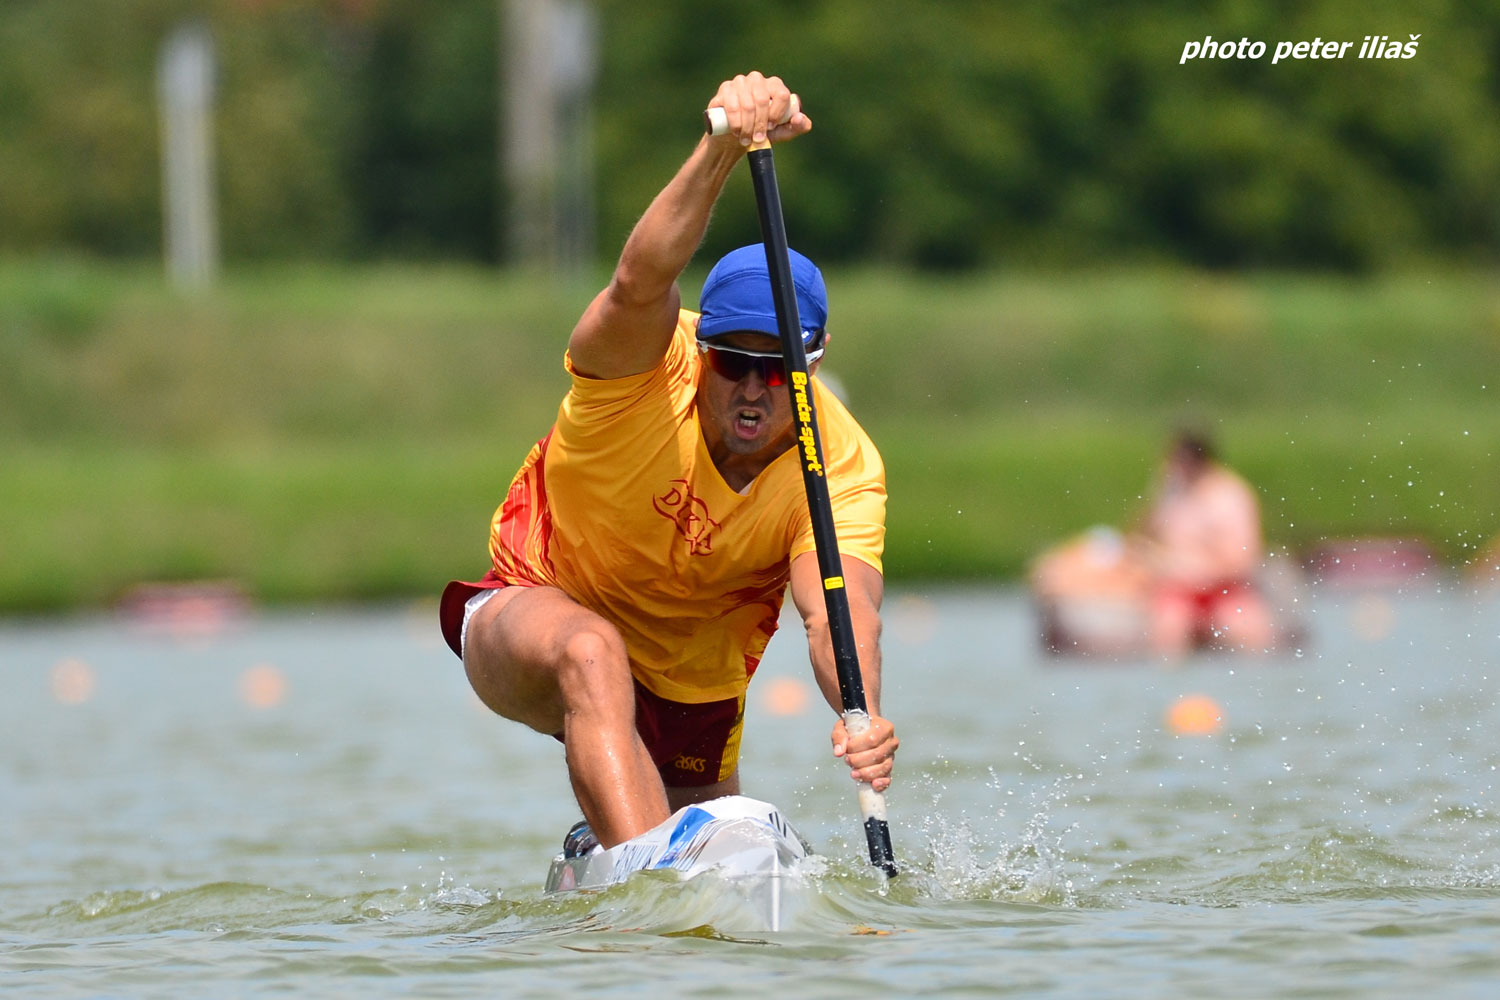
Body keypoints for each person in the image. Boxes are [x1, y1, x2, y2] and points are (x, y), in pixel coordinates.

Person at [437, 72, 898, 853]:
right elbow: (638, 279)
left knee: (723, 878)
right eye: (730, 362)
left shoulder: (841, 464)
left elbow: (836, 613)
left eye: (778, 367)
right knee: (593, 653)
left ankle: (614, 857)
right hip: (532, 609)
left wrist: (861, 714)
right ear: (699, 345)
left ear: (813, 365)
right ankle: (644, 869)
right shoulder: (642, 369)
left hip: (693, 690)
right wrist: (721, 147)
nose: (752, 389)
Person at [1138, 430, 1274, 656]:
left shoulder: (1229, 496)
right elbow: (1143, 535)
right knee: (1168, 631)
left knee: (1252, 636)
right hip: (1177, 593)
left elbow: (1242, 560)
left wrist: (1191, 570)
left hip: (1225, 590)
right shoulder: (1171, 492)